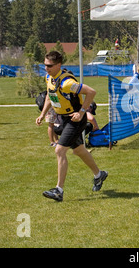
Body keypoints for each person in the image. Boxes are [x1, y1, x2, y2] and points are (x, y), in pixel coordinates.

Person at [36, 51, 108, 202]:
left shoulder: (67, 83)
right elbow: (50, 95)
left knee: (59, 150)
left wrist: (81, 113)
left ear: (58, 65)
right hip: (62, 118)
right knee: (79, 151)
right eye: (45, 65)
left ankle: (59, 190)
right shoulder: (49, 78)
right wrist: (43, 115)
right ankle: (99, 175)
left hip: (75, 120)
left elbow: (91, 92)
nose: (46, 68)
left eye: (49, 66)